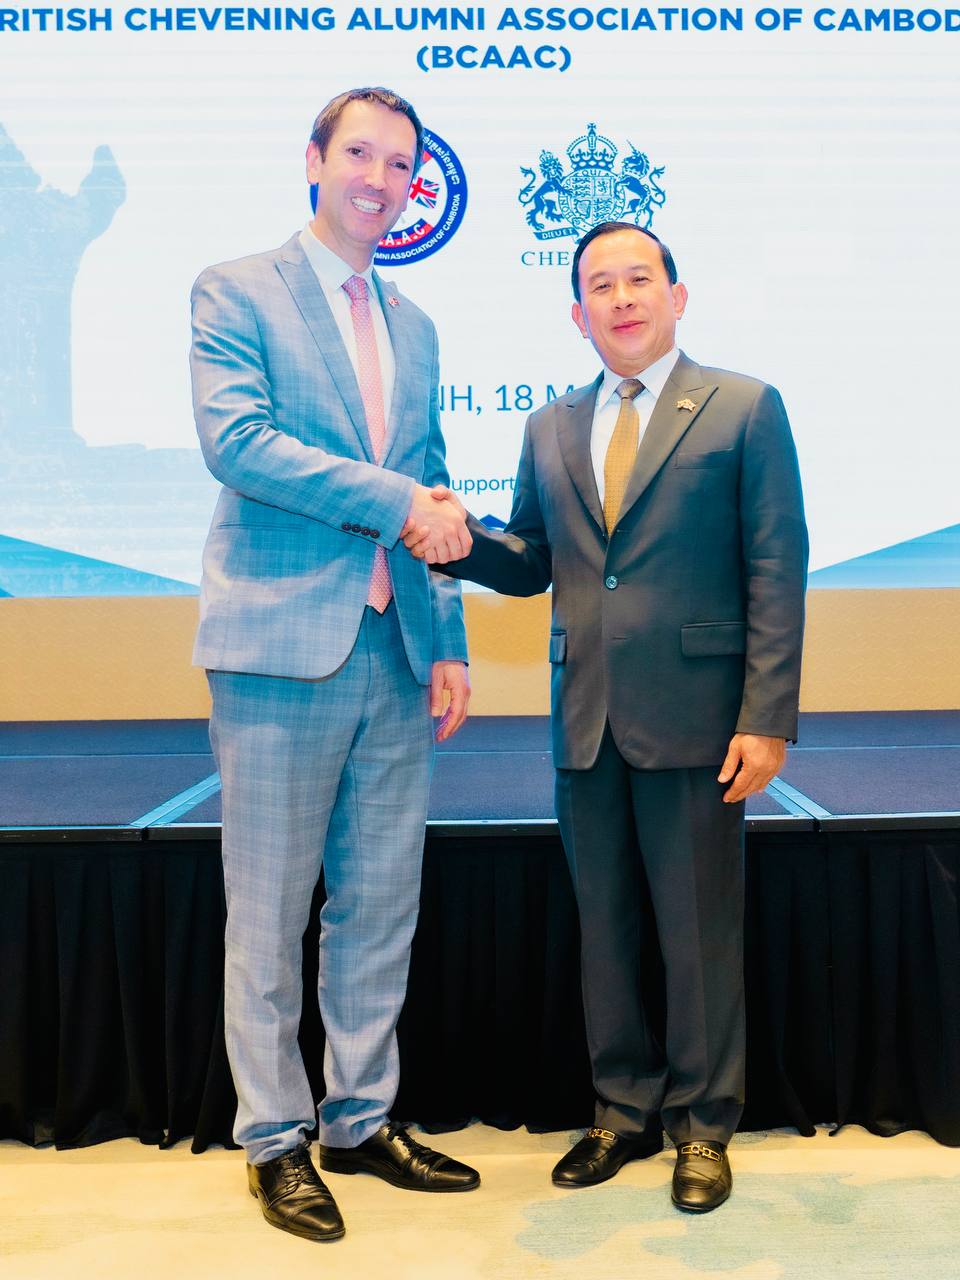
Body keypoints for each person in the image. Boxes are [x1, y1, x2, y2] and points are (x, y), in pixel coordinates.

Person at [406, 221, 808, 1213]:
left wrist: (767, 714)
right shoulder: (549, 425)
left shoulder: (744, 406)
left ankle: (703, 1125)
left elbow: (775, 563)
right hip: (585, 717)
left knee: (698, 933)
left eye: (639, 279)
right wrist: (460, 540)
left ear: (677, 295)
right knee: (607, 931)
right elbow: (532, 560)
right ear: (577, 314)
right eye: (601, 285)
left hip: (702, 719)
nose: (622, 298)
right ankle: (621, 1111)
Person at [190, 86, 479, 1244]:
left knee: (378, 907)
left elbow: (436, 480)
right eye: (360, 153)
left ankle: (360, 1118)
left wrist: (447, 639)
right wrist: (398, 498)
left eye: (400, 164)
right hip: (277, 645)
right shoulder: (235, 288)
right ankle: (275, 1138)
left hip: (395, 650)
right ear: (314, 161)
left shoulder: (418, 325)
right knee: (266, 915)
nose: (379, 178)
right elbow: (240, 443)